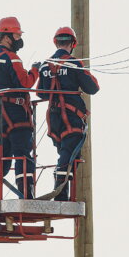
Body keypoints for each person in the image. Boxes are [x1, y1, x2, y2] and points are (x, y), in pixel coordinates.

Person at [36, 26, 99, 201]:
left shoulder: (44, 65)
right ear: (72, 44)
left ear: (56, 42)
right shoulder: (75, 63)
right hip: (71, 116)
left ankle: (62, 190)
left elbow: (40, 93)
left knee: (67, 153)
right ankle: (60, 191)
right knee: (69, 153)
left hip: (54, 118)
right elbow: (92, 88)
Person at [0, 16, 40, 199]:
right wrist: (35, 71)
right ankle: (26, 193)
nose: (19, 40)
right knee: (22, 153)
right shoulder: (12, 58)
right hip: (17, 116)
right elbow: (25, 83)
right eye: (16, 36)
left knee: (1, 157)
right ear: (6, 36)